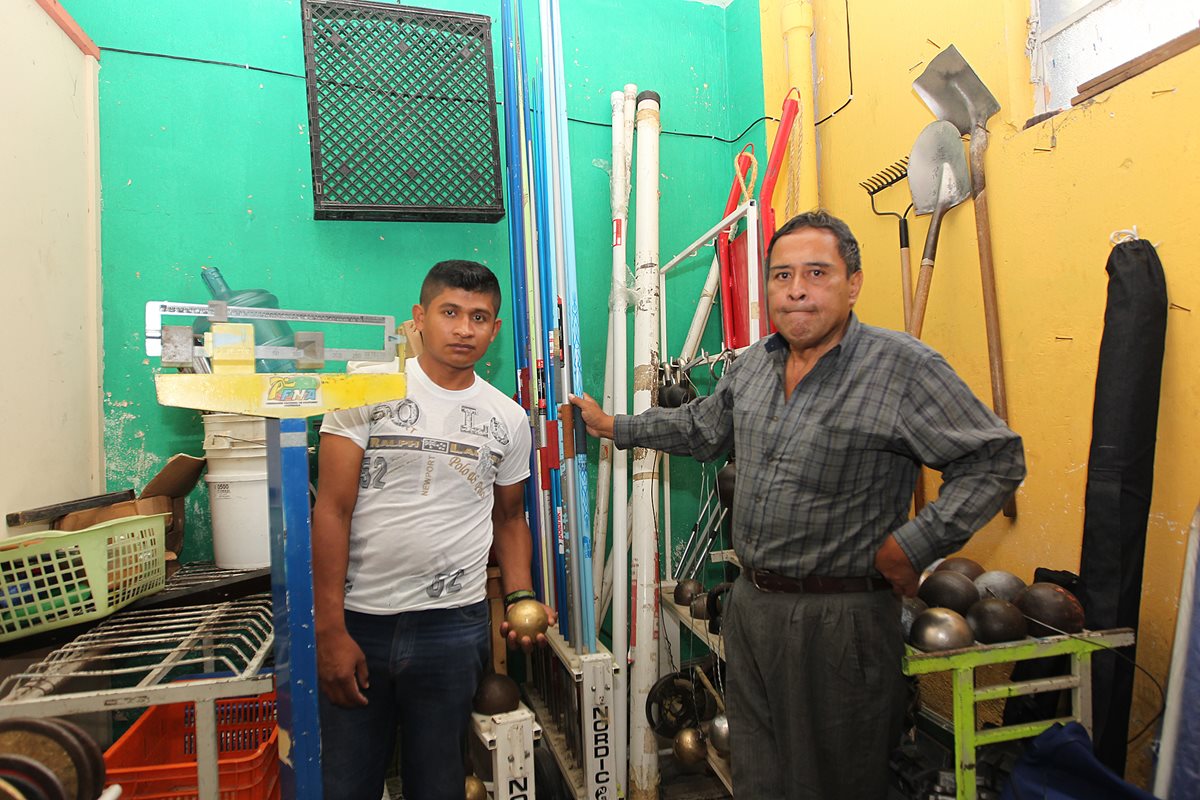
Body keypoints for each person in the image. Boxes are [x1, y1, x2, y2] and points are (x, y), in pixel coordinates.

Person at [571, 211, 1025, 800]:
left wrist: (913, 544)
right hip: (753, 608)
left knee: (837, 781)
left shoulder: (902, 367)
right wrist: (615, 425)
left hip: (842, 620)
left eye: (817, 272)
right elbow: (702, 429)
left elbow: (994, 459)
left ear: (853, 283)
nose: (797, 289)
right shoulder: (754, 364)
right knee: (759, 773)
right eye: (781, 275)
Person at [313, 260, 553, 800]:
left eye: (480, 317)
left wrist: (520, 595)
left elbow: (510, 518)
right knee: (346, 783)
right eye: (450, 312)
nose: (464, 329)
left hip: (453, 629)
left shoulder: (508, 418)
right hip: (361, 621)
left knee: (438, 782)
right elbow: (331, 509)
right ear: (420, 317)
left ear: (494, 328)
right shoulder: (364, 389)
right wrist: (329, 629)